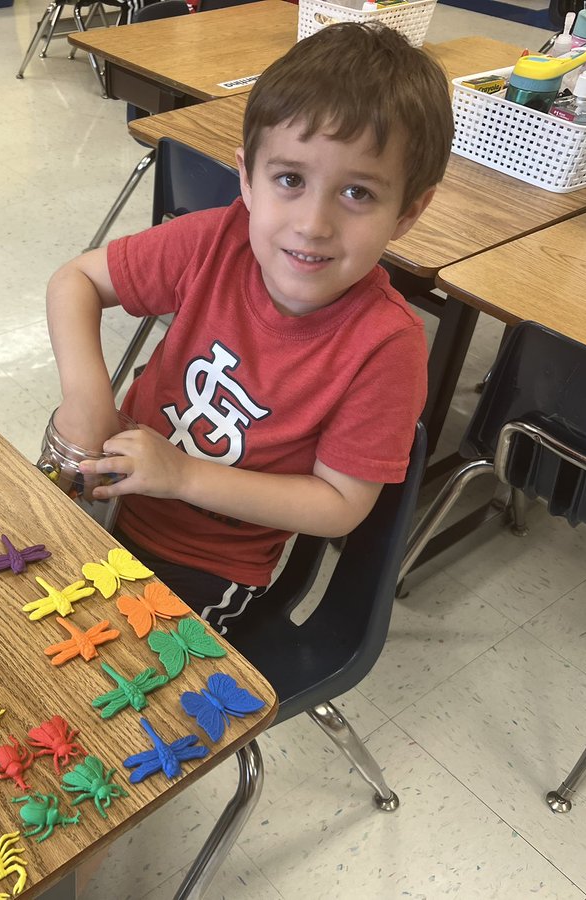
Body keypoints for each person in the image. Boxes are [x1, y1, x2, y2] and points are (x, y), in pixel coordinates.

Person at [45, 22, 454, 636]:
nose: (313, 224)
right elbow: (74, 281)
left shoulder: (386, 347)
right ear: (247, 178)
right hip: (99, 494)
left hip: (204, 566)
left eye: (358, 193)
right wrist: (87, 398)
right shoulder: (218, 240)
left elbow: (340, 505)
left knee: (101, 690)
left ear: (409, 212)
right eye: (290, 179)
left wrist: (182, 475)